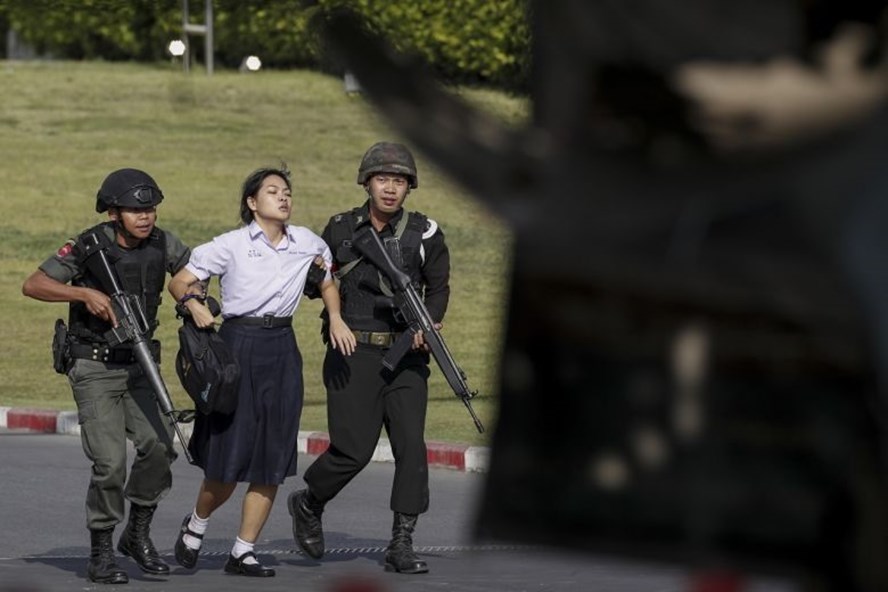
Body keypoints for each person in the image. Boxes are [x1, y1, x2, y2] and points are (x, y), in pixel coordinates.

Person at [168, 165, 355, 577]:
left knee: (273, 454)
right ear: (253, 203)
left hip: (282, 348)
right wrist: (195, 304)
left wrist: (336, 316)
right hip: (237, 344)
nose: (283, 197)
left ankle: (243, 550)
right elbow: (181, 280)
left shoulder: (307, 241)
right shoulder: (230, 245)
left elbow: (326, 280)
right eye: (273, 191)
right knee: (228, 455)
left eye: (287, 191)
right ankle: (196, 525)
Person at [21, 168, 191, 585]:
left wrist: (193, 294)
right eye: (136, 210)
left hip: (139, 364)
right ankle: (101, 552)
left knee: (158, 447)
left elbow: (188, 271)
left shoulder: (163, 243)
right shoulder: (88, 244)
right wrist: (82, 293)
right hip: (94, 365)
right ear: (114, 212)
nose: (145, 217)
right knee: (110, 463)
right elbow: (34, 284)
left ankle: (136, 534)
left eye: (150, 208)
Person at [288, 142, 451, 574]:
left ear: (409, 187)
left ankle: (401, 542)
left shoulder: (426, 233)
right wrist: (329, 290)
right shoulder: (341, 229)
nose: (391, 188)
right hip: (351, 351)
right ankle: (309, 502)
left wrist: (427, 325)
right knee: (353, 450)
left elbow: (438, 289)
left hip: (407, 356)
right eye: (383, 179)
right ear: (367, 182)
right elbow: (314, 283)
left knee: (411, 450)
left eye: (399, 181)